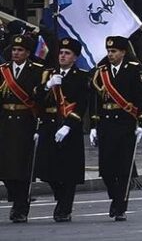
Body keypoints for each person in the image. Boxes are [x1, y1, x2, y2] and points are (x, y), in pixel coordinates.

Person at [90, 36, 142, 221]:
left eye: (114, 51)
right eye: (108, 51)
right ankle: (115, 197)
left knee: (123, 168)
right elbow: (96, 101)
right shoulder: (101, 71)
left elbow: (141, 97)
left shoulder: (133, 69)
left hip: (125, 122)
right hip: (107, 123)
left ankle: (120, 206)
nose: (110, 54)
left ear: (123, 52)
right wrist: (93, 125)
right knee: (107, 168)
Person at [34, 38, 89, 222]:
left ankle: (64, 207)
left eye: (67, 53)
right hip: (49, 125)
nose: (63, 56)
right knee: (47, 170)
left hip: (69, 127)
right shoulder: (49, 74)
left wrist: (68, 126)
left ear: (75, 57)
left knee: (68, 171)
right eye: (61, 53)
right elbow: (36, 99)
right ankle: (61, 198)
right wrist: (48, 85)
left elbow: (82, 104)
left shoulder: (81, 76)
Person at [0, 35, 46, 223]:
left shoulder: (37, 71)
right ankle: (16, 198)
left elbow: (39, 99)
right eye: (14, 50)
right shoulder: (3, 70)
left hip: (25, 122)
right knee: (4, 168)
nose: (16, 53)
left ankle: (21, 206)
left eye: (20, 50)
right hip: (5, 123)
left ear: (27, 53)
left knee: (22, 168)